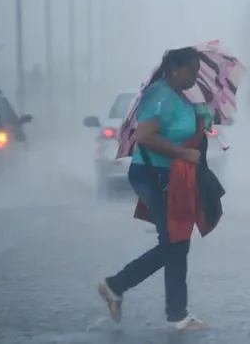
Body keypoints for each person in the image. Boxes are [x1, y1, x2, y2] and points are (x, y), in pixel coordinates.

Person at [97, 47, 210, 331]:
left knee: (175, 241)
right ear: (174, 68)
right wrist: (183, 155)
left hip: (170, 176)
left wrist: (201, 118)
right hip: (153, 176)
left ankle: (119, 287)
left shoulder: (179, 97)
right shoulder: (159, 95)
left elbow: (180, 131)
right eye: (192, 71)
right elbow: (146, 137)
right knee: (175, 241)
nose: (196, 77)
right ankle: (174, 314)